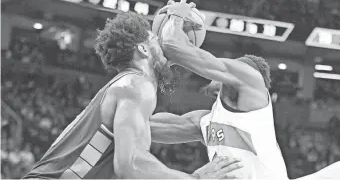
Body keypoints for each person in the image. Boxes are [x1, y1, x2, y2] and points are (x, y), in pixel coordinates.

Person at [22, 12, 242, 179]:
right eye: (156, 40)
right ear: (144, 50)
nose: (164, 46)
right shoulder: (137, 86)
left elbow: (180, 126)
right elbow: (130, 165)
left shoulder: (126, 89)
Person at [150, 0, 340, 180]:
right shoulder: (206, 121)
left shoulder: (252, 82)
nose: (228, 73)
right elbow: (150, 127)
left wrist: (175, 17)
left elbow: (173, 45)